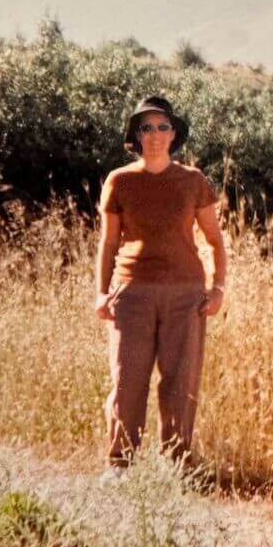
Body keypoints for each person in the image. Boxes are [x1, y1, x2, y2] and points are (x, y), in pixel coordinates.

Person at [95, 95, 226, 477]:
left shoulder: (193, 182)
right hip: (132, 293)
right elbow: (108, 243)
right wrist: (101, 293)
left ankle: (177, 467)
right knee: (127, 379)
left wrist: (218, 288)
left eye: (162, 127)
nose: (154, 135)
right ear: (136, 136)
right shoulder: (120, 181)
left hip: (185, 296)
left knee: (180, 381)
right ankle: (120, 465)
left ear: (174, 134)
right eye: (146, 127)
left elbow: (216, 240)